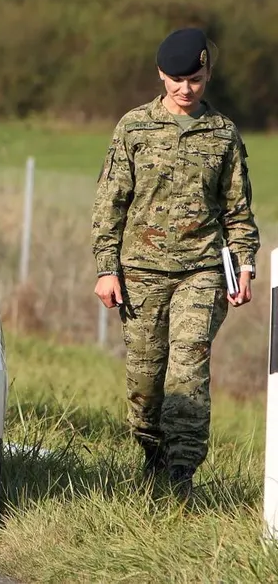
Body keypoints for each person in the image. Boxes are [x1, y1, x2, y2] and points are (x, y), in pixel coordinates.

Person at [91, 26, 260, 499]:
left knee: (188, 369)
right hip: (141, 273)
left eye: (197, 80)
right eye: (177, 79)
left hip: (201, 271)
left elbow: (238, 209)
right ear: (161, 75)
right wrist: (107, 268)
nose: (186, 90)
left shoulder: (223, 133)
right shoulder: (134, 128)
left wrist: (244, 264)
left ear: (208, 75)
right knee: (146, 380)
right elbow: (110, 204)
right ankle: (152, 454)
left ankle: (181, 473)